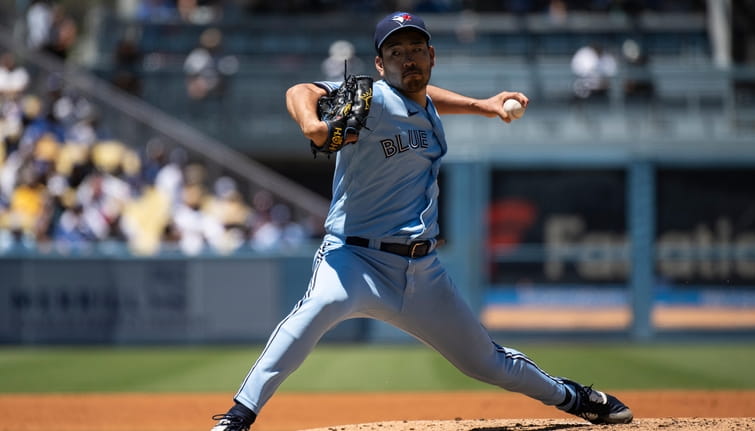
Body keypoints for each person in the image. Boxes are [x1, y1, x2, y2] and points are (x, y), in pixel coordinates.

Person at [209, 12, 633, 431]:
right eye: (396, 52)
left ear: (432, 55)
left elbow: (426, 98)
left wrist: (482, 106)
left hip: (422, 272)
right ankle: (238, 417)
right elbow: (299, 89)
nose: (407, 58)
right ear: (380, 65)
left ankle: (574, 397)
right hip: (354, 258)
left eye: (415, 49)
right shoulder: (372, 99)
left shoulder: (424, 105)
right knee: (313, 312)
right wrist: (313, 124)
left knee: (486, 362)